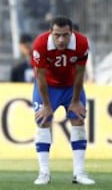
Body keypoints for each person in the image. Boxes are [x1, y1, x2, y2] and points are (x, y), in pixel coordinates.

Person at [31, 15, 95, 185]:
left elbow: (81, 73)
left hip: (71, 86)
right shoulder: (40, 44)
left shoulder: (81, 43)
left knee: (78, 120)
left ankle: (79, 173)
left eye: (65, 35)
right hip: (48, 87)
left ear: (71, 33)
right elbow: (41, 77)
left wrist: (75, 101)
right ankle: (44, 173)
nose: (61, 40)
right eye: (57, 35)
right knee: (43, 121)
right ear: (50, 33)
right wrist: (46, 105)